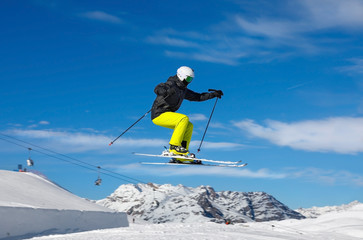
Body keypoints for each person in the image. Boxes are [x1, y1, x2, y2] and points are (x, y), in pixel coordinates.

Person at [151, 66, 223, 160]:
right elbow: (158, 88)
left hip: (168, 114)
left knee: (189, 125)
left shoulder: (182, 90)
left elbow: (197, 97)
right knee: (183, 118)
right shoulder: (171, 84)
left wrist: (213, 95)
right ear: (181, 76)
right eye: (188, 78)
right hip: (159, 114)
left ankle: (182, 151)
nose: (189, 81)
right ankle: (174, 147)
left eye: (191, 79)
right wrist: (163, 91)